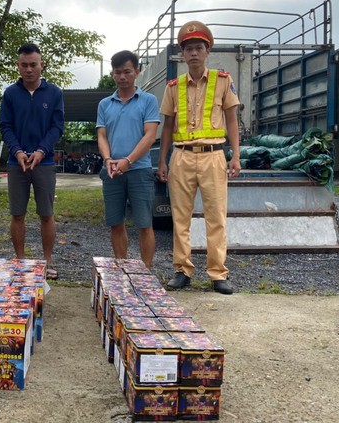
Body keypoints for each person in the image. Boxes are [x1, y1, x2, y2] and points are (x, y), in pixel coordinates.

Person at [157, 20, 241, 294]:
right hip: (180, 157)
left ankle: (218, 273)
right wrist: (162, 160)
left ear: (207, 51)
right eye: (188, 48)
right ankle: (182, 270)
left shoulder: (222, 81)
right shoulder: (173, 87)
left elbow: (231, 121)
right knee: (180, 217)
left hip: (213, 155)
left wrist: (235, 155)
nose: (193, 53)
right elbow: (167, 125)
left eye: (198, 48)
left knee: (216, 216)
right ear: (182, 54)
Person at [0, 43, 64, 279]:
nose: (28, 70)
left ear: (41, 65)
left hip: (44, 163)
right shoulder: (10, 94)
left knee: (46, 214)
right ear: (18, 66)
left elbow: (57, 127)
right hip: (17, 163)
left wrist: (41, 151)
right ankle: (20, 260)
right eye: (24, 65)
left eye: (33, 65)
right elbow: (5, 126)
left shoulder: (54, 93)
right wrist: (17, 151)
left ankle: (47, 262)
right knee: (17, 214)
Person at [96, 50, 160, 267]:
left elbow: (150, 135)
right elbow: (102, 135)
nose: (122, 77)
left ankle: (146, 272)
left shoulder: (148, 100)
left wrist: (129, 161)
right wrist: (107, 160)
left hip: (139, 170)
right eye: (117, 72)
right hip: (113, 171)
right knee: (115, 223)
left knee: (144, 224)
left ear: (137, 72)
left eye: (127, 72)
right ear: (113, 75)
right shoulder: (105, 104)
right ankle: (121, 267)